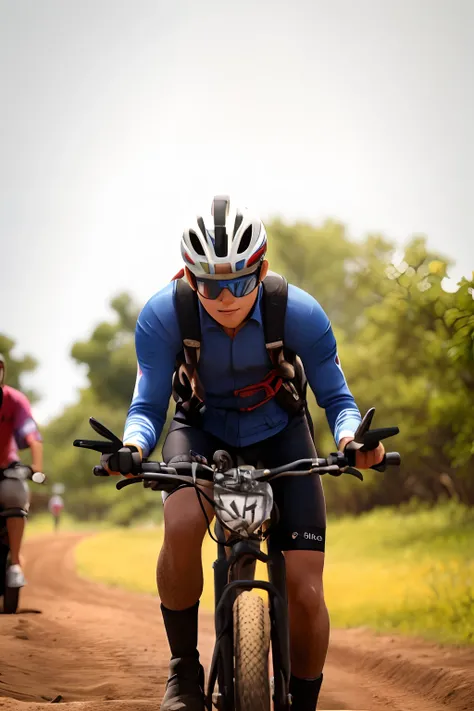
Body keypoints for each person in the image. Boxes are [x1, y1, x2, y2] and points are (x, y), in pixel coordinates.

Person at [101, 196, 385, 711]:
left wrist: (351, 441)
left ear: (263, 268)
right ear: (189, 278)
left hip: (281, 432)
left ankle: (303, 701)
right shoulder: (163, 315)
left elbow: (339, 401)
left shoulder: (298, 312)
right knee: (183, 520)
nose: (224, 296)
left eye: (239, 281)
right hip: (201, 430)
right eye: (209, 283)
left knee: (305, 590)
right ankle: (184, 672)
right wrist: (132, 447)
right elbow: (146, 407)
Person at [0, 353, 43, 588]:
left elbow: (31, 434)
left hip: (6, 468)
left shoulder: (14, 400)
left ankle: (15, 561)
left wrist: (36, 467)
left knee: (16, 494)